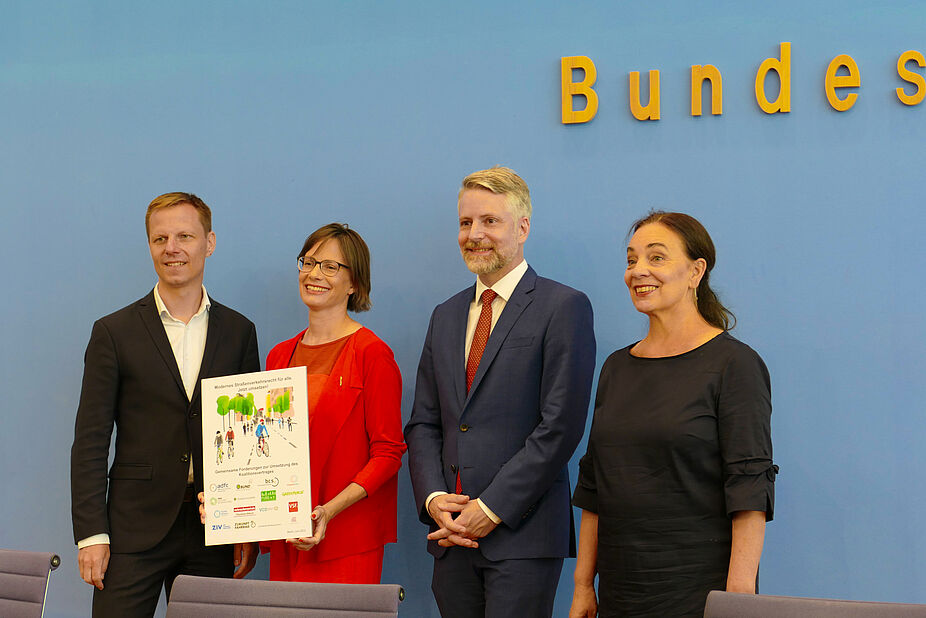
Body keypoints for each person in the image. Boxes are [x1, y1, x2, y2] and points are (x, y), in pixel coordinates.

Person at [404, 166, 596, 617]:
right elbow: (424, 423)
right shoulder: (445, 315)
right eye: (466, 222)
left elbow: (560, 429)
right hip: (450, 539)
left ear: (523, 227)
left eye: (490, 221)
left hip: (522, 537)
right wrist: (434, 500)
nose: (475, 234)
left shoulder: (563, 306)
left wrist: (491, 508)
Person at [569, 211, 778, 618]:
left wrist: (737, 599)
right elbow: (594, 484)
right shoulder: (616, 367)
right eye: (631, 260)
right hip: (621, 591)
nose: (638, 271)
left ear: (696, 271)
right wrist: (582, 585)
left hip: (699, 591)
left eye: (656, 257)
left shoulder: (735, 365)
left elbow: (750, 488)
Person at [70, 192, 260, 617]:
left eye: (184, 236)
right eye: (160, 239)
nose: (172, 248)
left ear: (209, 243)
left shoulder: (240, 331)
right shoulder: (113, 332)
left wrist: (249, 528)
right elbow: (90, 441)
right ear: (151, 246)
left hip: (214, 531)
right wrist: (92, 535)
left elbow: (248, 439)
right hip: (131, 532)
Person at [261, 222, 406, 583]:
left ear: (354, 283)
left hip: (346, 537)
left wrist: (328, 511)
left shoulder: (373, 354)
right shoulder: (280, 355)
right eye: (308, 262)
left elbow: (388, 453)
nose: (314, 274)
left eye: (330, 266)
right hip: (288, 536)